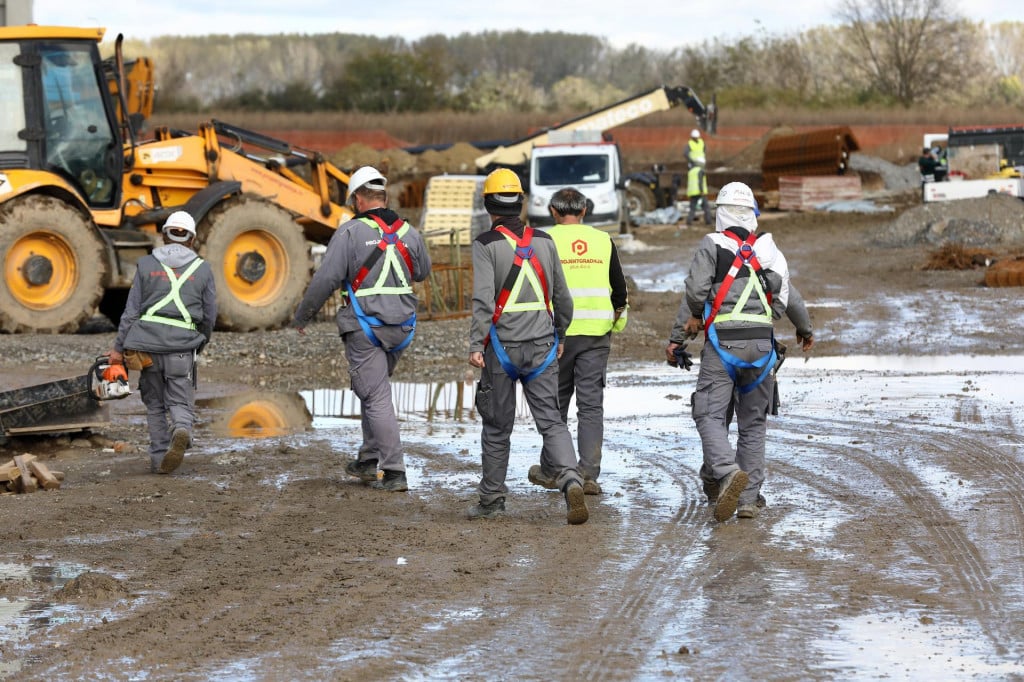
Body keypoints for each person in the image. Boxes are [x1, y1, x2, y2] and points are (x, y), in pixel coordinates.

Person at [665, 182, 813, 522]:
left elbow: (695, 294)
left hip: (722, 347)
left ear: (720, 213)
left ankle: (726, 472)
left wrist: (677, 340)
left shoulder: (712, 245)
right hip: (762, 349)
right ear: (753, 216)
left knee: (709, 415)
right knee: (753, 423)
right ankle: (747, 500)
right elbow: (790, 297)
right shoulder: (768, 253)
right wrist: (805, 330)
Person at [292, 166, 431, 492]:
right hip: (402, 327)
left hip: (366, 326)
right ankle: (368, 460)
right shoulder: (410, 233)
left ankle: (394, 471)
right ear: (383, 195)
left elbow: (327, 278)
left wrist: (303, 315)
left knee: (377, 395)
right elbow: (422, 272)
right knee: (373, 389)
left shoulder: (350, 232)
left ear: (356, 198)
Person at [467, 168, 588, 524]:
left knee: (496, 426)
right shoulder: (546, 242)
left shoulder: (485, 245)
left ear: (488, 203)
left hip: (501, 350)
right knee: (551, 421)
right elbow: (563, 298)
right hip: (542, 348)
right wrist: (561, 335)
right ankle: (569, 480)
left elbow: (483, 301)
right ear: (520, 202)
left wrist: (477, 342)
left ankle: (491, 500)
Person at [530, 188, 628, 496]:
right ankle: (587, 475)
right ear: (584, 210)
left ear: (553, 212)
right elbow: (619, 291)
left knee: (554, 403)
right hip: (596, 334)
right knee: (590, 406)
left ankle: (553, 469)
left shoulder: (541, 240)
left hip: (555, 334)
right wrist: (616, 318)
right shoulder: (602, 240)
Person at [109, 211, 217, 474]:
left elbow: (131, 311)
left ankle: (159, 460)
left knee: (155, 405)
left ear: (164, 234)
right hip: (182, 348)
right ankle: (181, 429)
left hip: (146, 347)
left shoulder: (146, 265)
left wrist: (118, 349)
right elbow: (210, 315)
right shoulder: (203, 269)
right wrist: (198, 344)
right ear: (191, 239)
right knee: (180, 402)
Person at [685, 128, 712, 226]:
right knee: (706, 207)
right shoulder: (700, 171)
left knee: (692, 207)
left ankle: (689, 221)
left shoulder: (691, 171)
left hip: (692, 192)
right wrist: (701, 190)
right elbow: (700, 181)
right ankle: (708, 221)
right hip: (700, 191)